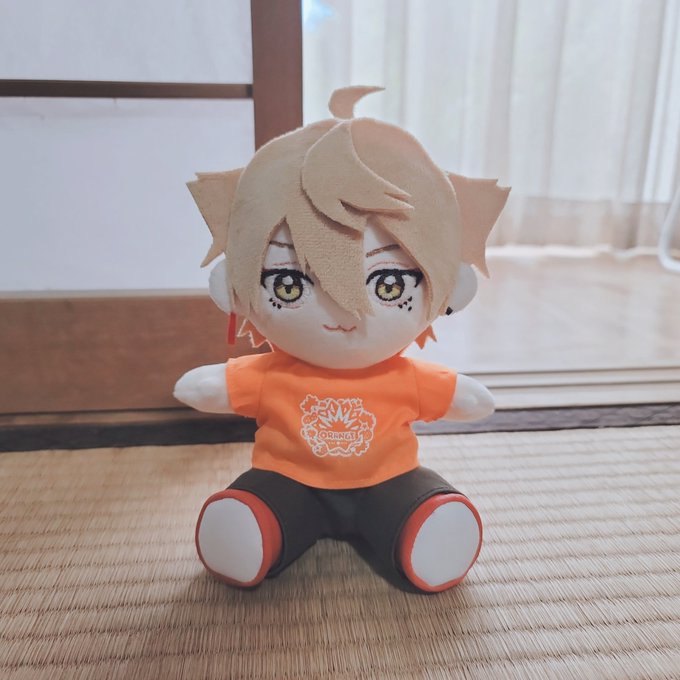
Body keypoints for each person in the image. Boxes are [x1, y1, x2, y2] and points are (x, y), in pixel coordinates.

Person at [174, 86, 509, 592]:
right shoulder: (270, 375)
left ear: (449, 289)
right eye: (290, 285)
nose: (343, 312)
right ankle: (256, 528)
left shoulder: (404, 377)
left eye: (388, 283)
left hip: (389, 482)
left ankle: (425, 527)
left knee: (423, 506)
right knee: (256, 507)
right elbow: (214, 387)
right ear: (235, 289)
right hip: (289, 482)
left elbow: (463, 398)